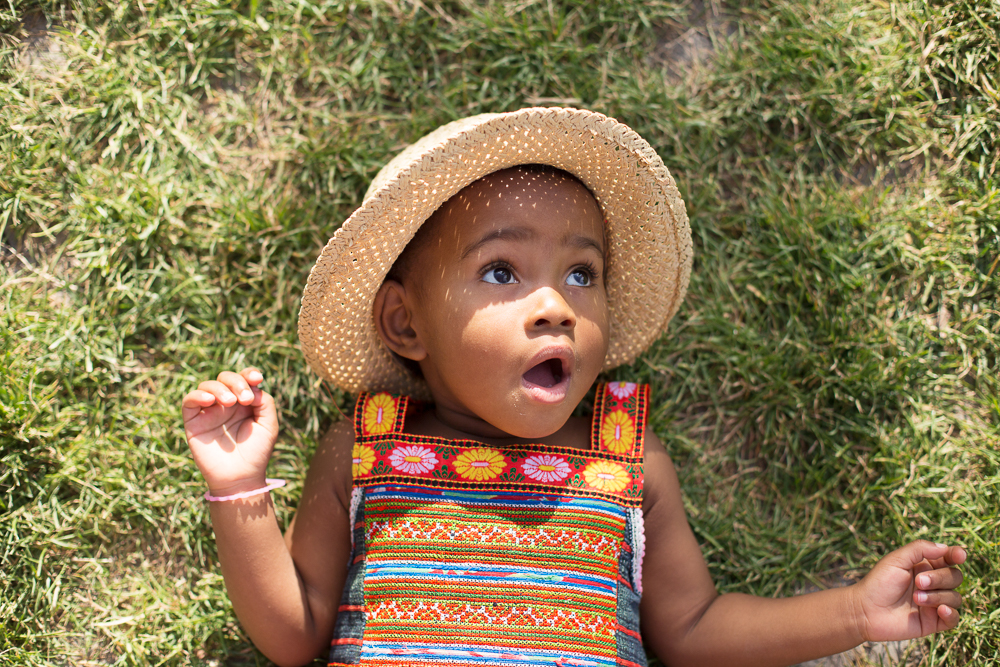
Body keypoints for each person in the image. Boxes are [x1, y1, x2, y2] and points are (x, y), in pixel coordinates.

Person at [182, 108, 965, 667]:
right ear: (405, 322)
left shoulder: (624, 456)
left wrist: (856, 612)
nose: (556, 304)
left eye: (581, 274)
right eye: (501, 270)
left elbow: (691, 626)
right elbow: (294, 633)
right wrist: (238, 486)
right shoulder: (367, 441)